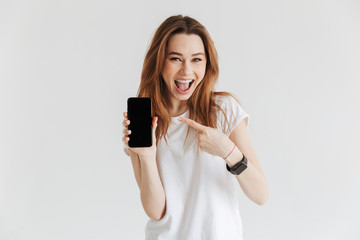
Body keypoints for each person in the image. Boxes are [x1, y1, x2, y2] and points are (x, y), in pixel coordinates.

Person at [122, 15, 269, 240]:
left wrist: (228, 151)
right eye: (175, 59)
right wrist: (146, 156)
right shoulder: (145, 122)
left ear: (207, 63)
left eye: (197, 59)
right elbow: (156, 211)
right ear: (159, 62)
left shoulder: (223, 110)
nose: (186, 71)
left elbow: (261, 195)